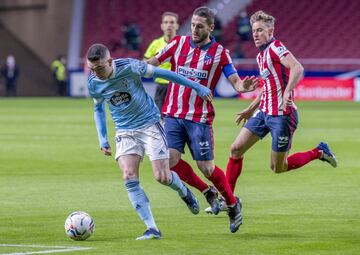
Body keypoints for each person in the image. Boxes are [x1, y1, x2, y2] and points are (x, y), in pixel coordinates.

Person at [147, 6, 258, 233]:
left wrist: (243, 87)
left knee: (207, 168)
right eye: (193, 25)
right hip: (172, 114)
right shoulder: (177, 44)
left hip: (199, 118)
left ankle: (232, 203)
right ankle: (206, 191)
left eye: (200, 26)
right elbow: (154, 62)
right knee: (169, 160)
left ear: (211, 28)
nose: (195, 30)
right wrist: (131, 67)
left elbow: (236, 82)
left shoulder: (220, 53)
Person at [86, 43, 212, 240]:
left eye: (100, 67)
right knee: (129, 176)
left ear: (109, 61)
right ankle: (152, 228)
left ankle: (184, 191)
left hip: (150, 124)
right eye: (93, 68)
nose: (97, 72)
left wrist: (196, 86)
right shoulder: (93, 82)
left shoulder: (130, 66)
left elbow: (166, 74)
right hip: (125, 130)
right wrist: (103, 139)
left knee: (161, 176)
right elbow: (98, 109)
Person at [224, 10, 337, 198]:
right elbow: (268, 87)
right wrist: (250, 109)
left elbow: (297, 68)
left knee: (278, 167)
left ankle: (319, 152)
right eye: (254, 31)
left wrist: (286, 93)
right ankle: (228, 200)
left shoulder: (276, 47)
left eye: (260, 30)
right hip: (263, 112)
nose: (256, 34)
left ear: (270, 31)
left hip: (282, 115)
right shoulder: (261, 56)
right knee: (236, 149)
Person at [143, 12, 179, 115]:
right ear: (162, 26)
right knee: (160, 118)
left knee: (177, 119)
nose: (169, 25)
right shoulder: (155, 44)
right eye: (166, 22)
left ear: (177, 25)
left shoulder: (183, 43)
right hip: (161, 87)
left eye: (172, 22)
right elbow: (144, 62)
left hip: (177, 86)